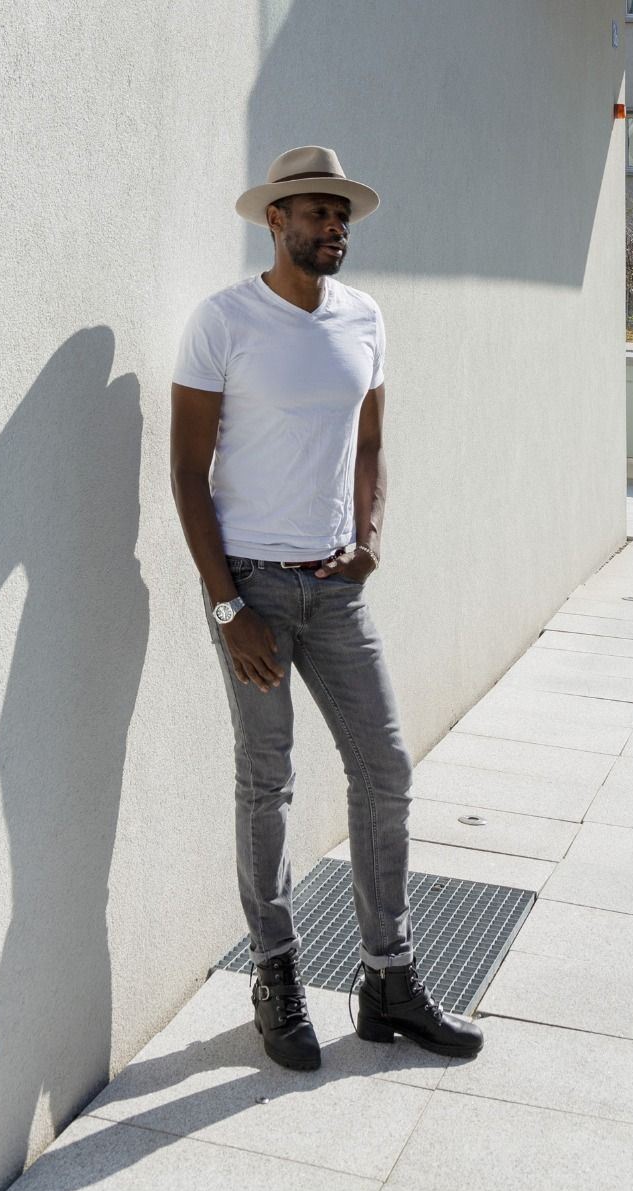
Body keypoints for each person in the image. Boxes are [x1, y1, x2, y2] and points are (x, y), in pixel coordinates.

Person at [170, 146, 483, 1071]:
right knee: (266, 781)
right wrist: (228, 609)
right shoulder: (223, 320)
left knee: (384, 770)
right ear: (275, 220)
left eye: (341, 215)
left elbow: (371, 441)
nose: (334, 227)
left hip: (335, 589)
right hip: (251, 587)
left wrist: (371, 537)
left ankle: (388, 981)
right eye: (316, 212)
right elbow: (186, 470)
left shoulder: (364, 317)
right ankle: (276, 975)